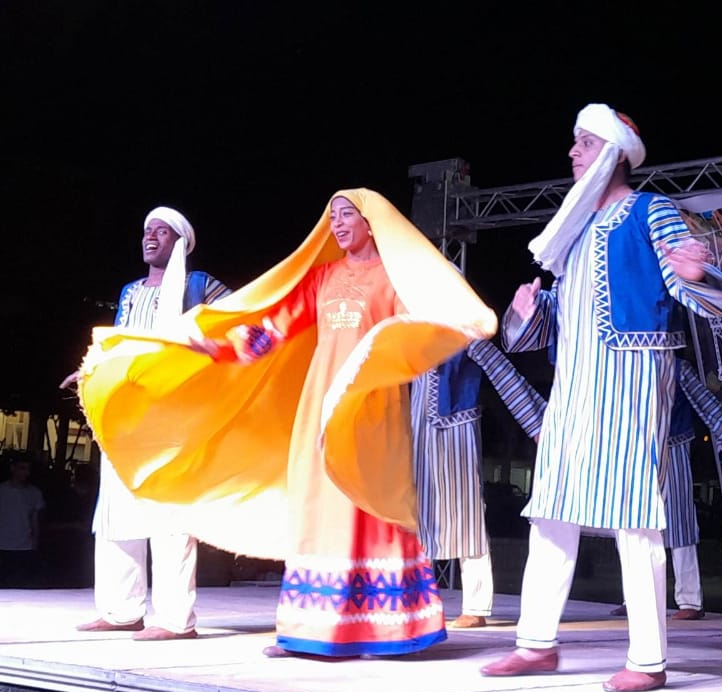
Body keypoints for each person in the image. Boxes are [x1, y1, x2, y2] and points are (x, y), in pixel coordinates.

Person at [76, 189, 497, 659]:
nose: (338, 224)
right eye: (332, 217)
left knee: (375, 504)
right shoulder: (323, 277)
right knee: (319, 511)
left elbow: (421, 327)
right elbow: (277, 326)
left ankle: (392, 631)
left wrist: (456, 324)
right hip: (319, 407)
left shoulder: (394, 277)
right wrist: (223, 347)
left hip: (374, 410)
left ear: (371, 221)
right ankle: (310, 631)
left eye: (347, 215)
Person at [479, 103, 722, 692]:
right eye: (574, 142)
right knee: (551, 509)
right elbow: (553, 321)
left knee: (635, 515)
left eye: (583, 143)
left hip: (632, 374)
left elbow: (699, 289)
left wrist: (696, 274)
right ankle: (535, 644)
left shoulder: (651, 210)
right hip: (574, 381)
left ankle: (649, 659)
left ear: (610, 153)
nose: (572, 153)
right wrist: (527, 313)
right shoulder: (574, 229)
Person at [64, 206, 230, 640]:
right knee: (118, 508)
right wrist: (89, 369)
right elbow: (123, 342)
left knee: (169, 510)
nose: (149, 236)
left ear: (181, 241)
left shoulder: (199, 284)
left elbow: (238, 320)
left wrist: (205, 347)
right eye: (146, 230)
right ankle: (121, 610)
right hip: (126, 409)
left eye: (161, 231)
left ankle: (175, 619)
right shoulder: (131, 291)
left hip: (174, 410)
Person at [411, 338, 546, 629]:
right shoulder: (414, 331)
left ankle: (475, 606)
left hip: (456, 429)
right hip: (417, 431)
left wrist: (537, 423)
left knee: (468, 517)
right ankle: (417, 599)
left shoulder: (466, 332)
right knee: (418, 516)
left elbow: (502, 371)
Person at [611, 357, 722, 620]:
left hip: (673, 446)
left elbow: (707, 405)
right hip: (630, 450)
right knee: (627, 524)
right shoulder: (622, 362)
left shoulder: (677, 367)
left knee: (679, 523)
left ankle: (690, 599)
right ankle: (634, 596)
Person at [0, 452, 45, 588]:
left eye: (28, 469)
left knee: (21, 586)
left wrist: (35, 543)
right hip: (3, 545)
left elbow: (35, 521)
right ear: (12, 468)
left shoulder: (34, 493)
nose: (26, 473)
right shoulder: (2, 490)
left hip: (25, 547)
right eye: (22, 468)